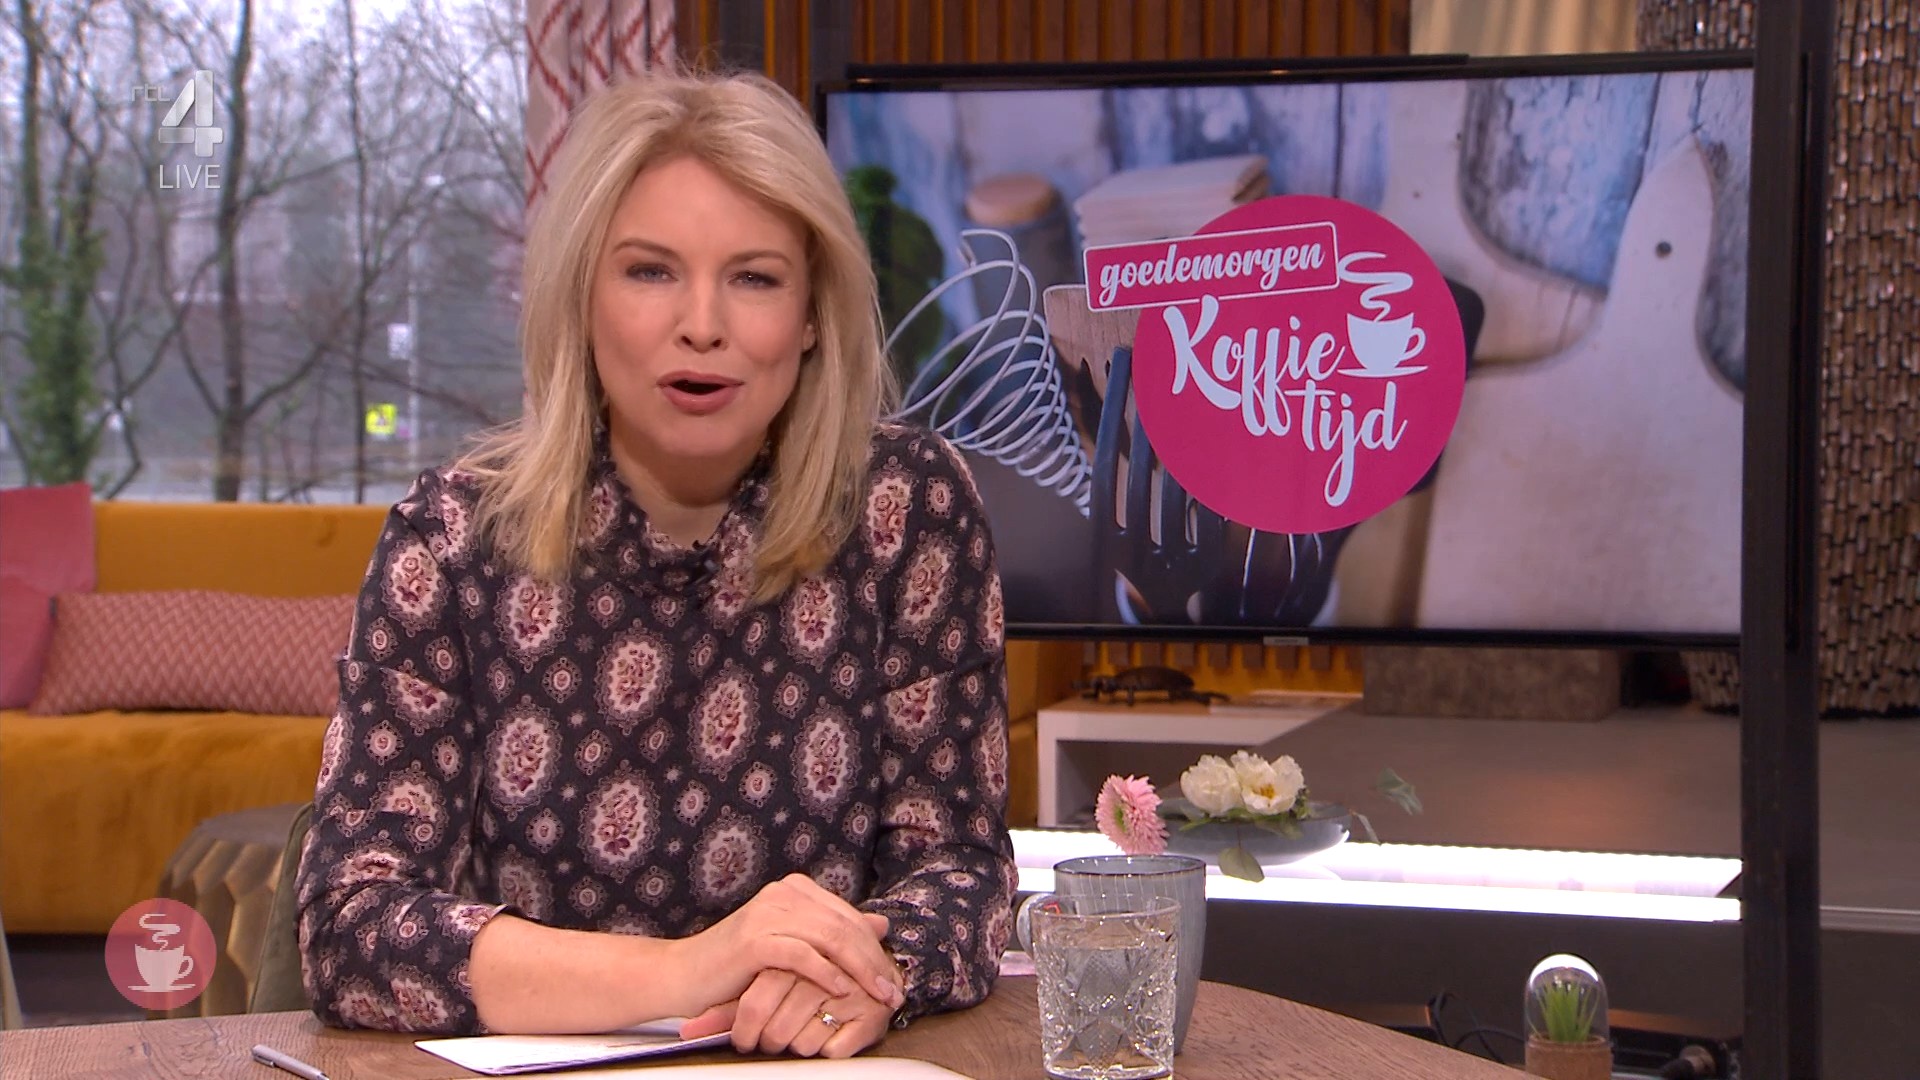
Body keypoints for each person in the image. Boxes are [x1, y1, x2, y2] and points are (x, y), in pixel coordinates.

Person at [293, 68, 1017, 1060]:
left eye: (754, 278)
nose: (703, 324)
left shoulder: (908, 508)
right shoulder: (452, 538)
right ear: (582, 297)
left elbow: (961, 870)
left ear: (813, 315)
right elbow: (351, 925)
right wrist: (694, 971)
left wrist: (863, 976)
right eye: (650, 272)